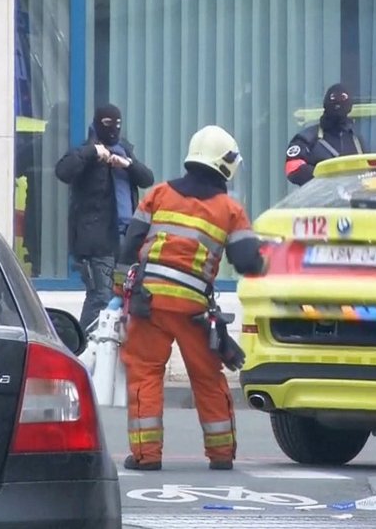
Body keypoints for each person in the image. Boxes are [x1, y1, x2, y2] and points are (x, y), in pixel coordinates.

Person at [114, 125, 266, 472]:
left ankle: (146, 455)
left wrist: (119, 294)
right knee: (208, 378)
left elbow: (130, 244)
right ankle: (222, 454)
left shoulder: (158, 194)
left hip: (148, 303)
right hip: (194, 309)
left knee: (145, 375)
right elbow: (247, 263)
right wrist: (266, 258)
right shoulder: (230, 210)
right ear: (226, 164)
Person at [55, 104, 155, 331]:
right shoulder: (85, 152)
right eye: (108, 124)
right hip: (97, 242)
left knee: (122, 297)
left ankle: (105, 350)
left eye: (117, 124)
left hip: (126, 240)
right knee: (99, 297)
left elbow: (147, 178)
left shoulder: (125, 150)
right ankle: (80, 350)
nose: (113, 129)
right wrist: (93, 152)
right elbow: (63, 171)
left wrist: (126, 164)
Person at [284, 83, 366, 186]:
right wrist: (326, 180)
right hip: (318, 200)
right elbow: (293, 168)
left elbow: (367, 173)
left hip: (350, 200)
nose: (338, 105)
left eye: (343, 99)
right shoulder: (307, 138)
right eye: (334, 99)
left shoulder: (355, 140)